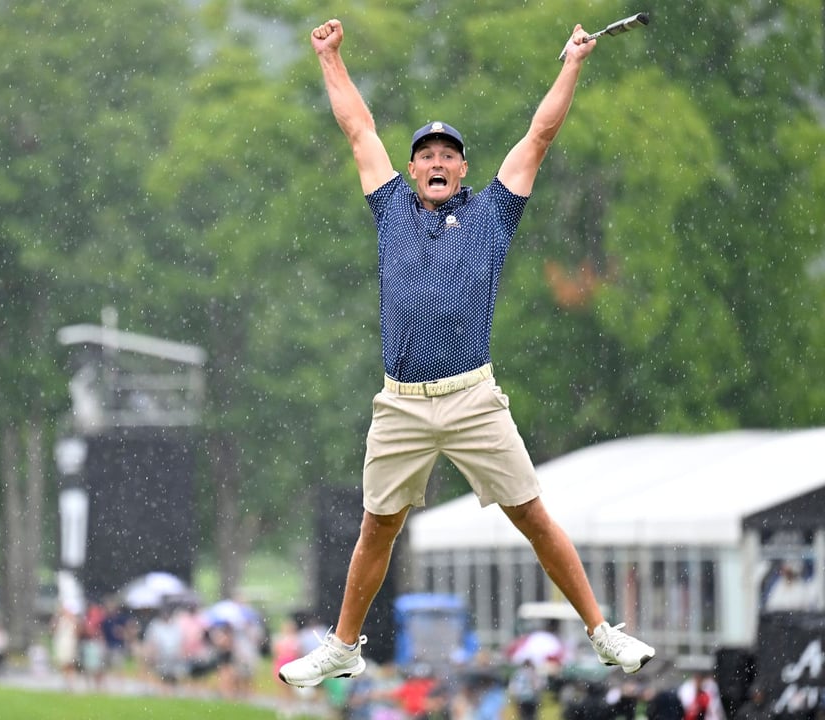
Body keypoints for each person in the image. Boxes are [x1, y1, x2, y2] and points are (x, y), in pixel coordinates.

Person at [279, 18, 655, 688]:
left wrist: (571, 61)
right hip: (401, 403)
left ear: (463, 168)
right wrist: (330, 58)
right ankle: (343, 645)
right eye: (426, 154)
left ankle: (603, 632)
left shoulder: (492, 215)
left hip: (473, 398)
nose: (436, 162)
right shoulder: (391, 206)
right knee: (377, 530)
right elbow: (360, 129)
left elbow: (539, 136)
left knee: (534, 518)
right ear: (414, 166)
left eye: (448, 155)